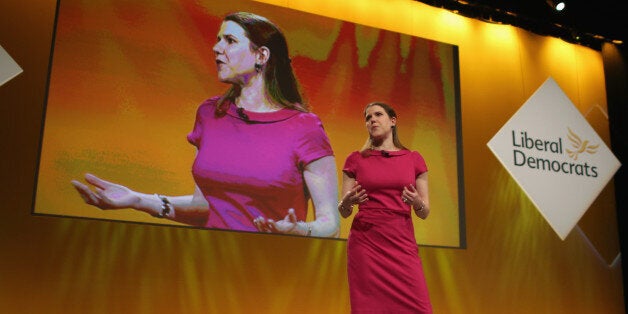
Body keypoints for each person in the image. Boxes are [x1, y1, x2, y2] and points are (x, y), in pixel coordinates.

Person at [71, 12, 340, 238]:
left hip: (272, 269)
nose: (216, 48)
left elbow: (330, 225)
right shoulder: (211, 114)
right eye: (218, 39)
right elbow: (204, 206)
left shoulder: (305, 127)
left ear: (261, 56)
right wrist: (138, 200)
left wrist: (299, 230)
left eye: (230, 40)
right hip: (208, 264)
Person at [338, 102, 432, 313]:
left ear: (392, 121)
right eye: (368, 117)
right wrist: (346, 202)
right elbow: (343, 212)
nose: (372, 120)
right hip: (366, 242)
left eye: (378, 114)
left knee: (419, 307)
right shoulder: (355, 160)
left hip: (401, 240)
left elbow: (424, 212)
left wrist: (416, 202)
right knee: (369, 307)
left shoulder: (413, 159)